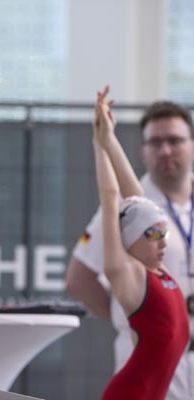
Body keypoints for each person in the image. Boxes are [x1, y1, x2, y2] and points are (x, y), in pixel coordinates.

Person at [91, 86, 189, 399]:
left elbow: (139, 202)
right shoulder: (127, 274)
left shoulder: (161, 273)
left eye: (164, 233)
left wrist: (109, 138)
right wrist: (97, 143)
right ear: (131, 241)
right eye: (153, 235)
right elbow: (111, 197)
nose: (163, 243)